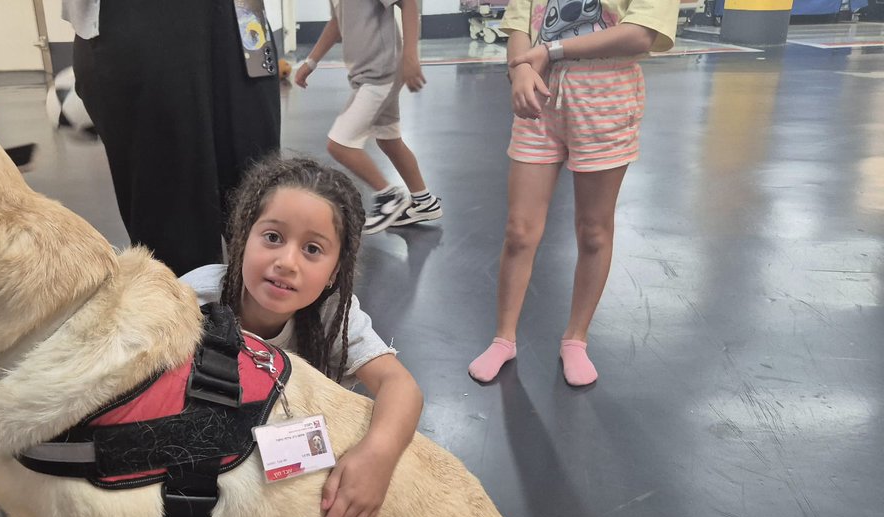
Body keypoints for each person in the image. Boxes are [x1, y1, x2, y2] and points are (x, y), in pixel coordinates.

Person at [181, 156, 423, 517]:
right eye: (273, 237)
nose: (286, 262)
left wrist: (377, 457)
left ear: (333, 272)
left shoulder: (333, 314)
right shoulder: (196, 298)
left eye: (312, 249)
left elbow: (401, 386)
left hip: (294, 482)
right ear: (243, 238)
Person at [467, 0, 680, 386]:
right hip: (540, 98)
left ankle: (576, 339)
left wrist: (549, 51)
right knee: (519, 229)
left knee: (594, 230)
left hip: (607, 97)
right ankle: (504, 338)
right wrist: (520, 70)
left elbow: (640, 33)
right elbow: (519, 25)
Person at [64, 0, 281, 276]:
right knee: (174, 230)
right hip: (140, 14)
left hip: (244, 12)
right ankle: (184, 316)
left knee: (263, 197)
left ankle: (272, 316)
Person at [294, 0, 442, 234]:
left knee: (339, 144)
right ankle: (424, 201)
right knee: (389, 140)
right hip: (367, 74)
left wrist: (411, 57)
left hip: (380, 73)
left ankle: (389, 196)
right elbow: (337, 22)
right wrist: (311, 61)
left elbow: (409, 3)